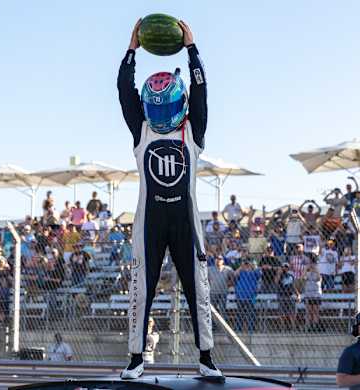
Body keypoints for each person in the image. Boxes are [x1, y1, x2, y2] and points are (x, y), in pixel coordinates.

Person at [117, 19, 220, 379]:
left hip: (185, 223)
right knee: (140, 291)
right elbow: (123, 90)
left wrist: (192, 49)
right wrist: (131, 51)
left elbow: (202, 89)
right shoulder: (140, 129)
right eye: (154, 109)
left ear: (180, 104)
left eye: (166, 108)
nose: (160, 116)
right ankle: (135, 359)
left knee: (199, 290)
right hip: (149, 223)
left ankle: (206, 357)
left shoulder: (194, 130)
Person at [234, 260, 261, 334]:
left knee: (251, 313)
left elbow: (260, 275)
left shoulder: (255, 272)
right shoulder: (242, 271)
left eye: (248, 264)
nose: (247, 265)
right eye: (246, 264)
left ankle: (250, 330)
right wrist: (241, 266)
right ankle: (238, 330)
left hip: (251, 296)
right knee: (240, 313)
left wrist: (253, 266)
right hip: (240, 295)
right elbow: (235, 274)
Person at [303, 261, 322, 330]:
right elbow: (303, 278)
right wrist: (306, 269)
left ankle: (315, 326)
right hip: (308, 295)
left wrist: (316, 270)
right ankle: (309, 326)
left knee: (315, 311)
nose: (311, 266)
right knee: (309, 311)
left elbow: (319, 279)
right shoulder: (307, 274)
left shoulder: (317, 274)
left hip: (316, 295)